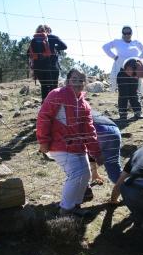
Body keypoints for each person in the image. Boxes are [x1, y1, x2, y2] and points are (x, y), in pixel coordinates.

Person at [36, 68, 102, 217]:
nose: (78, 83)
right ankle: (65, 210)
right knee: (76, 174)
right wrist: (43, 141)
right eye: (74, 79)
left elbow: (89, 130)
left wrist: (95, 151)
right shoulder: (57, 95)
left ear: (85, 83)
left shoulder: (84, 104)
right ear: (67, 81)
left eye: (81, 80)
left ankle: (75, 206)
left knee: (85, 175)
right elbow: (43, 117)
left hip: (78, 147)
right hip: (60, 144)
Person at [102, 26, 143, 120]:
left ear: (131, 33)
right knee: (123, 93)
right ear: (122, 33)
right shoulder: (117, 42)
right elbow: (105, 47)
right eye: (124, 33)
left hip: (134, 71)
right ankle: (123, 114)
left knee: (134, 92)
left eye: (128, 33)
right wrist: (114, 57)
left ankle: (137, 112)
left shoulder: (136, 42)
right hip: (121, 70)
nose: (127, 35)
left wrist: (139, 58)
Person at [28, 24, 67, 102]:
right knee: (53, 88)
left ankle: (44, 108)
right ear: (48, 30)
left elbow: (28, 53)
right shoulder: (52, 37)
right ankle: (55, 107)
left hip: (38, 69)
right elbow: (64, 46)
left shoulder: (34, 40)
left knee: (44, 87)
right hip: (52, 67)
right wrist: (55, 48)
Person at [90, 110, 122, 184]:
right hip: (114, 130)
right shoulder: (86, 107)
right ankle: (134, 189)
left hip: (96, 130)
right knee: (114, 167)